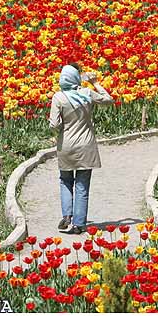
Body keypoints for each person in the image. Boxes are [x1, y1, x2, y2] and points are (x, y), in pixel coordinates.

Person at [49, 63, 114, 235]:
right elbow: (108, 100)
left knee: (65, 181)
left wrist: (60, 127)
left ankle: (67, 215)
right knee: (82, 185)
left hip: (66, 146)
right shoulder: (86, 93)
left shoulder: (58, 97)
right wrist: (95, 82)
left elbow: (54, 124)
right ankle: (78, 224)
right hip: (86, 145)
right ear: (76, 78)